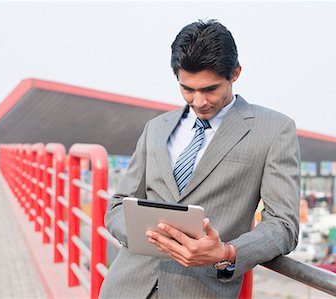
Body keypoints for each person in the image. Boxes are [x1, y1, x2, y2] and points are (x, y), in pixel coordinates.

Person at [99, 19, 301, 299]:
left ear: (236, 73)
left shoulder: (274, 130)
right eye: (187, 89)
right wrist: (150, 237)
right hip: (125, 287)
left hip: (201, 289)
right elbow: (117, 205)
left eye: (210, 89)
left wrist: (227, 253)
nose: (199, 101)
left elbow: (284, 224)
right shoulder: (156, 128)